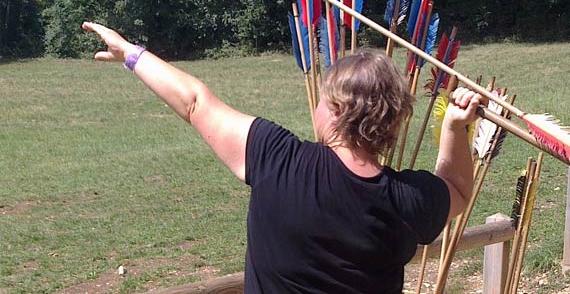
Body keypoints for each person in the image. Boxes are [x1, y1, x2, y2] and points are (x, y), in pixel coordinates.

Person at [83, 21, 481, 293]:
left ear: (337, 111)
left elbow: (193, 102)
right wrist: (454, 127)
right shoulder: (408, 199)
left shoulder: (278, 159)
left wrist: (131, 54)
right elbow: (460, 188)